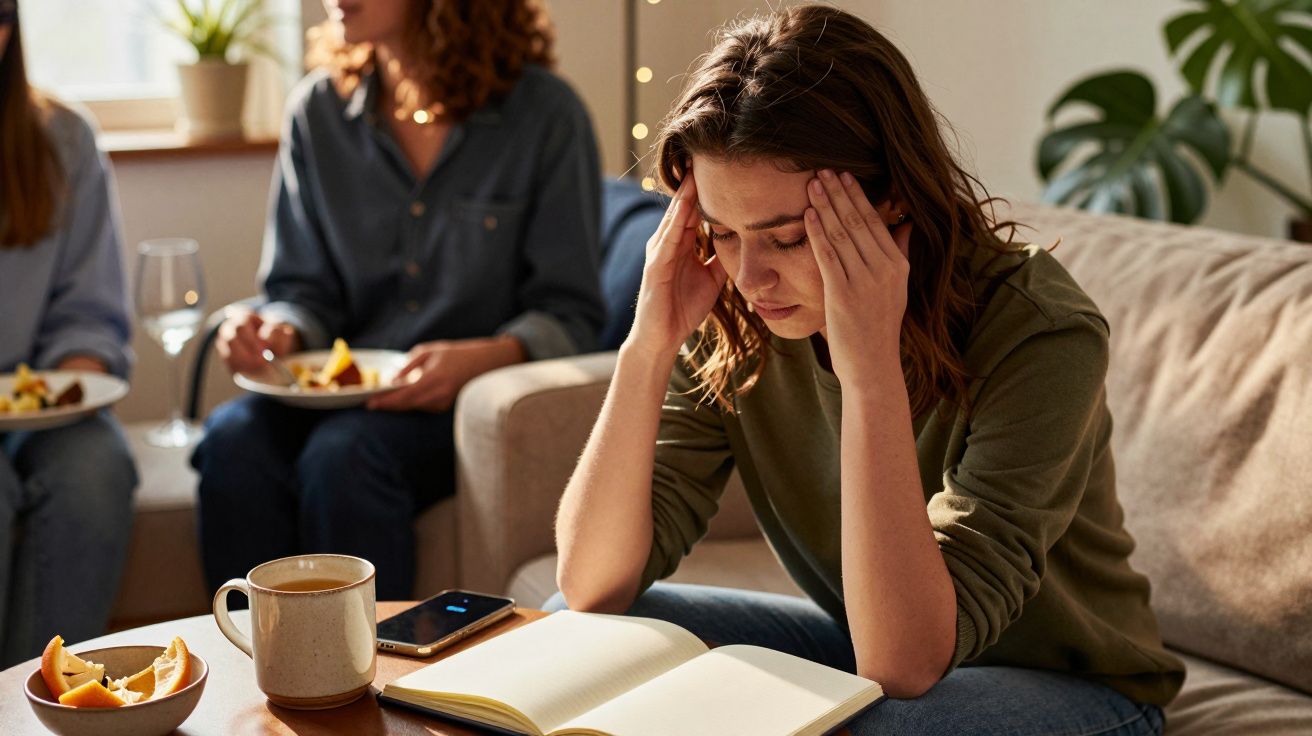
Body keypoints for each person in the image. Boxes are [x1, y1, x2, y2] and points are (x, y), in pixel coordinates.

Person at [550, 5, 1183, 734]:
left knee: (870, 727)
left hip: (1075, 687)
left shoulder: (1041, 332)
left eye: (786, 238)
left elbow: (903, 664)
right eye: (722, 233)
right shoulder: (743, 310)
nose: (751, 277)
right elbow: (592, 581)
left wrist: (870, 369)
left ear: (893, 198)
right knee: (588, 632)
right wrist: (648, 344)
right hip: (872, 645)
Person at [193, 0, 604, 599]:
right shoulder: (318, 112)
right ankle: (247, 668)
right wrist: (280, 330)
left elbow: (573, 314)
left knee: (344, 458)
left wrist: (485, 356)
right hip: (334, 391)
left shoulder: (545, 115)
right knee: (231, 443)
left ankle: (373, 679)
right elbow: (299, 290)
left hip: (460, 403)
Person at [0, 1, 137, 667]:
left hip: (39, 410)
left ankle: (51, 704)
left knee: (97, 468)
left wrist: (74, 377)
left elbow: (90, 314)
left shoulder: (63, 140)